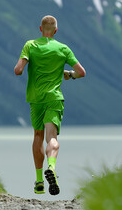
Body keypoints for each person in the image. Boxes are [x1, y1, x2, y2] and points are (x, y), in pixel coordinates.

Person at [14, 15, 86, 195]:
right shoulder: (63, 48)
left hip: (35, 99)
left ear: (40, 29)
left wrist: (24, 65)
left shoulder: (30, 45)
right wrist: (69, 74)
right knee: (51, 137)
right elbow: (81, 72)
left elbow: (18, 70)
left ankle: (39, 181)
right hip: (54, 98)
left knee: (37, 135)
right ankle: (51, 168)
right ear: (55, 30)